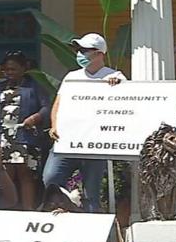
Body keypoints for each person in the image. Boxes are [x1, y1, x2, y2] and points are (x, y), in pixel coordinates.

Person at [44, 34, 124, 213]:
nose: (79, 54)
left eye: (84, 50)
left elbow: (126, 106)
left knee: (91, 194)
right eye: (78, 50)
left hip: (96, 144)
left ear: (98, 54)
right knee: (51, 177)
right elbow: (59, 103)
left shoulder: (116, 76)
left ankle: (89, 228)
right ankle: (70, 205)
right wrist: (54, 125)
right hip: (68, 140)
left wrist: (118, 87)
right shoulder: (71, 76)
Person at [0, 50, 50, 211]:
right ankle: (8, 210)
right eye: (7, 69)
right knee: (6, 175)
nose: (10, 73)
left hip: (26, 137)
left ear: (24, 68)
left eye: (14, 69)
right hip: (3, 138)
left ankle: (28, 209)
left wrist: (35, 118)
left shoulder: (34, 87)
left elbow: (46, 108)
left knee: (26, 176)